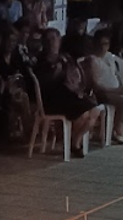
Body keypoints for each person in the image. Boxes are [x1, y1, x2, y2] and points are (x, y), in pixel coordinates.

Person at [34, 28, 103, 157]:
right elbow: (44, 83)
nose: (51, 43)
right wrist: (56, 71)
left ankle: (74, 140)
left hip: (70, 94)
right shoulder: (41, 60)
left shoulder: (65, 57)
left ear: (59, 41)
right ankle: (73, 143)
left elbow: (75, 73)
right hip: (54, 98)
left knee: (95, 111)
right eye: (48, 39)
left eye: (54, 39)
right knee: (83, 115)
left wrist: (78, 86)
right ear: (43, 42)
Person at [83, 31, 123, 144]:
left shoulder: (109, 57)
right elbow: (95, 84)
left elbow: (115, 74)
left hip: (116, 88)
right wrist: (115, 90)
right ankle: (116, 130)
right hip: (103, 92)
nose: (102, 47)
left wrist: (122, 87)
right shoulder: (92, 60)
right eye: (100, 44)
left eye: (105, 44)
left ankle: (120, 125)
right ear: (95, 44)